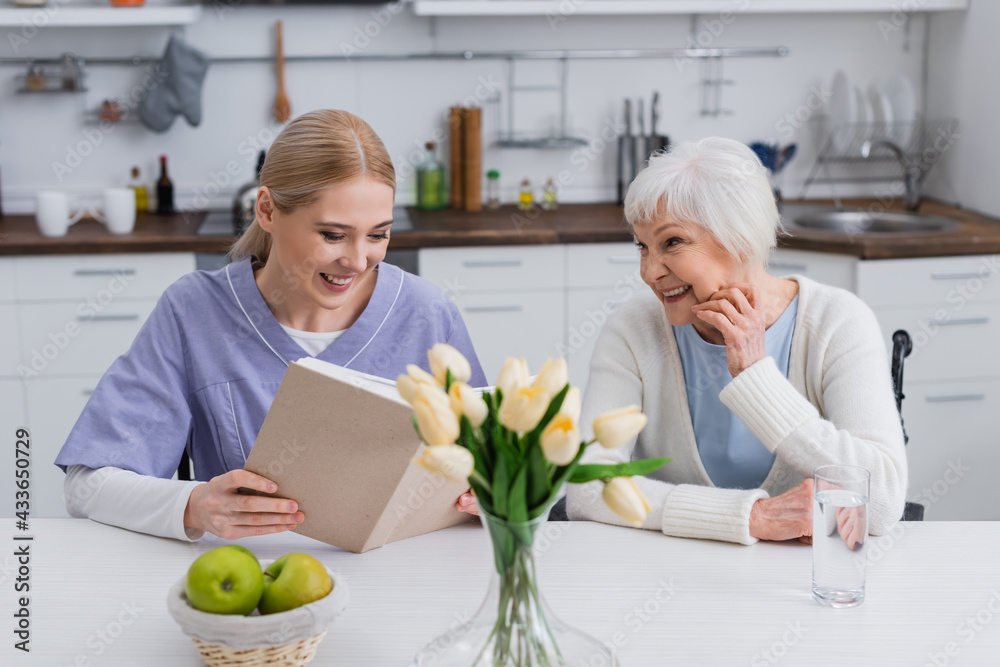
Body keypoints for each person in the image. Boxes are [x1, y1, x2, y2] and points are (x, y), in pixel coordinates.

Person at [56, 110, 486, 542]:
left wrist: (487, 495)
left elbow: (492, 469)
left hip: (411, 581)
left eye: (378, 235)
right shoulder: (194, 314)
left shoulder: (427, 313)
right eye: (333, 235)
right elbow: (85, 485)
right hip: (251, 587)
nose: (357, 261)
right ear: (267, 210)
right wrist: (194, 506)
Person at [566, 137, 907, 545]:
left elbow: (883, 500)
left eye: (671, 242)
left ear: (740, 236)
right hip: (667, 572)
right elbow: (586, 487)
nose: (649, 272)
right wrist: (750, 517)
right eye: (643, 247)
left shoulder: (837, 322)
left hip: (799, 579)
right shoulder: (633, 328)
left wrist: (755, 377)